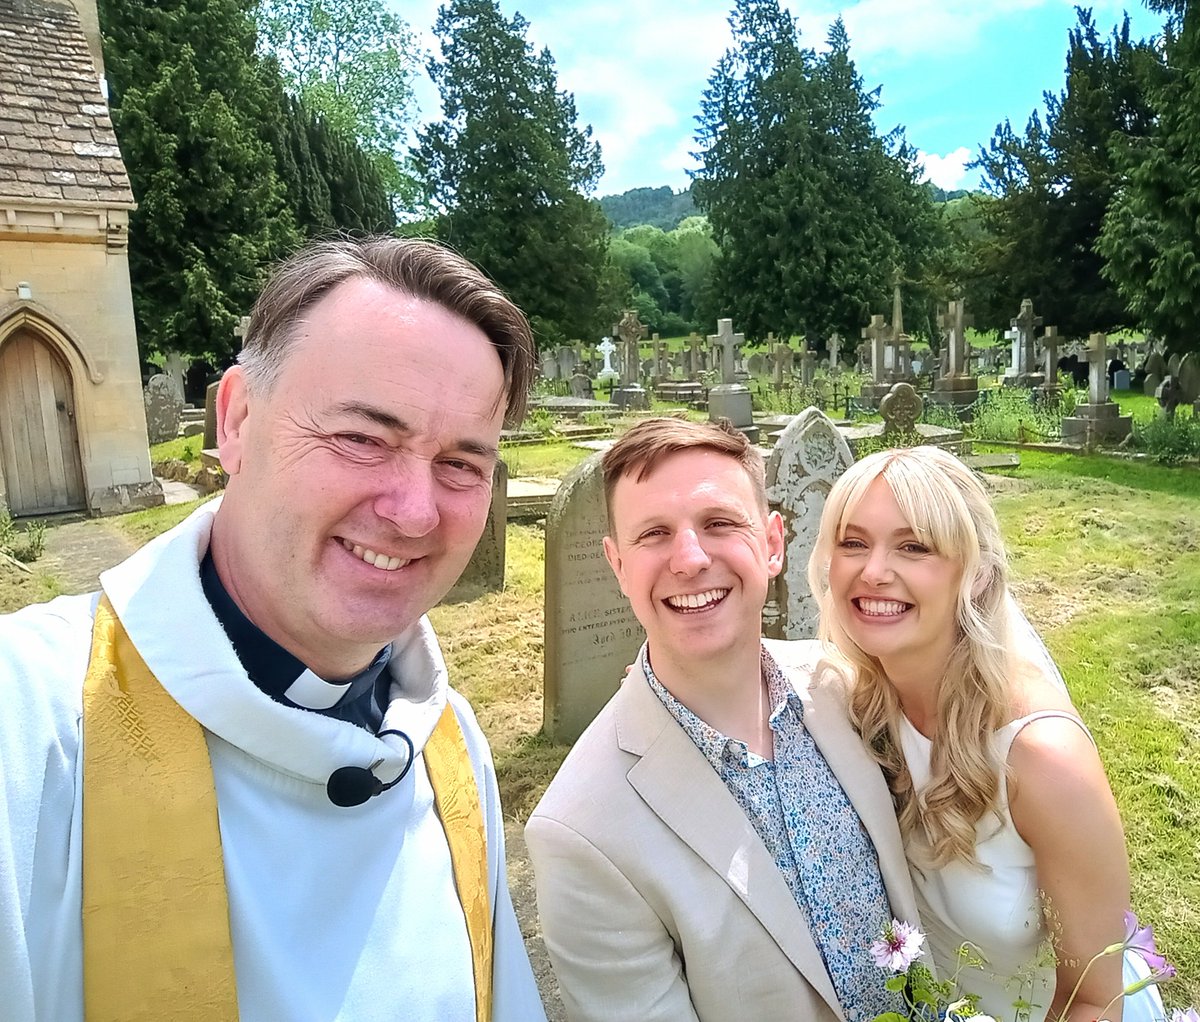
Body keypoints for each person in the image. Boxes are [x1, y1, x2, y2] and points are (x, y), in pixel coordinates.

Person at [0, 237, 547, 1022]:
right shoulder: (33, 729)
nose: (416, 511)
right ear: (238, 421)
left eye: (462, 464)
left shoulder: (448, 745)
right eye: (363, 437)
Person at [526, 417, 920, 1022]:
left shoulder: (848, 689)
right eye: (654, 534)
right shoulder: (581, 834)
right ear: (617, 565)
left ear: (771, 544)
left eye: (718, 523)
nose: (690, 558)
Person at [806, 445, 1160, 1022]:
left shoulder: (1042, 760)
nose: (872, 571)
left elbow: (1096, 999)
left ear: (977, 576)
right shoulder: (865, 696)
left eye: (914, 546)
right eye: (853, 542)